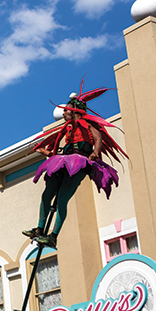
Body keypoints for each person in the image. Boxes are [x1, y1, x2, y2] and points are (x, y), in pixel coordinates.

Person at [22, 87, 127, 248]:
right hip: (65, 160)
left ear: (74, 111)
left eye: (66, 111)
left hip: (80, 162)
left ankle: (53, 236)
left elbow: (98, 138)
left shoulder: (88, 124)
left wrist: (96, 152)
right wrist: (45, 151)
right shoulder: (69, 127)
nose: (63, 114)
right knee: (46, 194)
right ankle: (40, 229)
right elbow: (61, 150)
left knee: (62, 199)